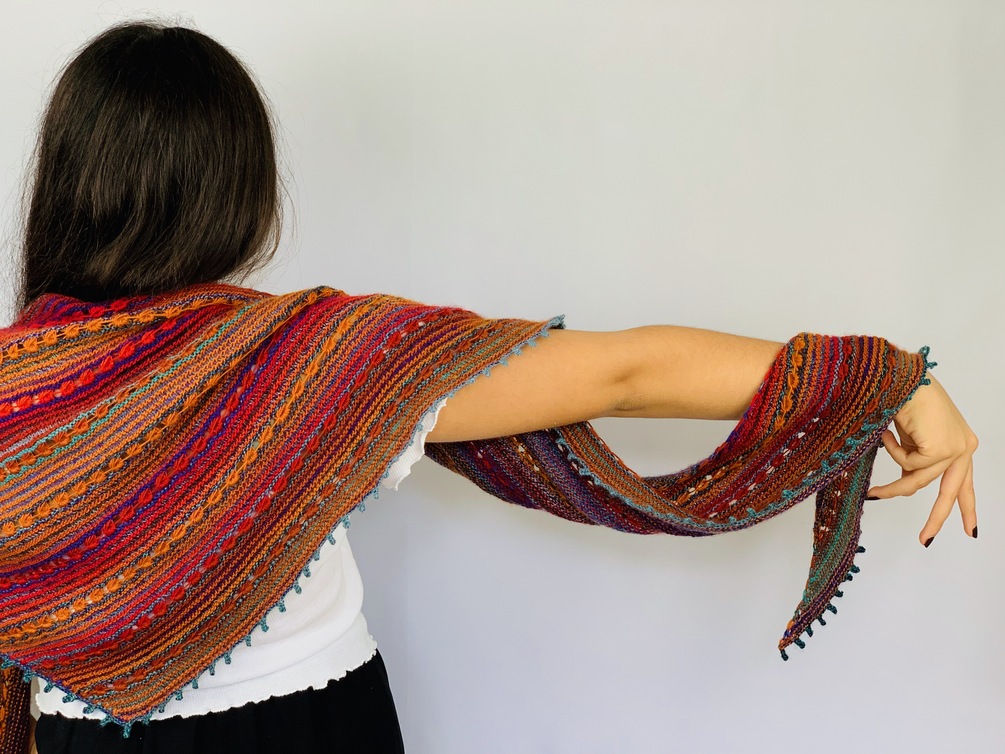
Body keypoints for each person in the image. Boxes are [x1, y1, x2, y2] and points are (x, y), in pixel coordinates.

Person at [7, 20, 978, 754]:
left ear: (65, 179)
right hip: (312, 726)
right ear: (240, 188)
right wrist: (889, 379)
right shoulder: (314, 358)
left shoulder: (20, 391)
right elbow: (623, 372)